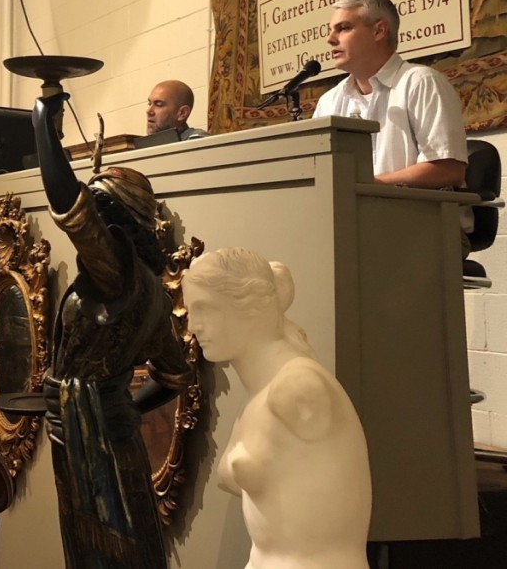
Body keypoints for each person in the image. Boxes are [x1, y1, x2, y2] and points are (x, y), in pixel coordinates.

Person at [31, 88, 193, 567]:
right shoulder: (153, 295)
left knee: (97, 540)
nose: (93, 231)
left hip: (87, 429)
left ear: (116, 222)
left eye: (101, 215)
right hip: (104, 424)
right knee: (123, 535)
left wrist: (43, 126)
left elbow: (71, 208)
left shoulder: (116, 271)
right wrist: (117, 406)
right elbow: (175, 376)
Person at [182, 247, 371, 569]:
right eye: (190, 311)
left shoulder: (299, 390)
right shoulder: (261, 394)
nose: (194, 326)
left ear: (251, 307)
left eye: (204, 309)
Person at [313, 0, 468, 190]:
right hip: (353, 215)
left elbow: (449, 170)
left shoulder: (421, 82)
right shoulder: (329, 102)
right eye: (331, 30)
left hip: (421, 215)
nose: (330, 39)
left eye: (344, 28)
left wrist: (369, 185)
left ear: (379, 31)